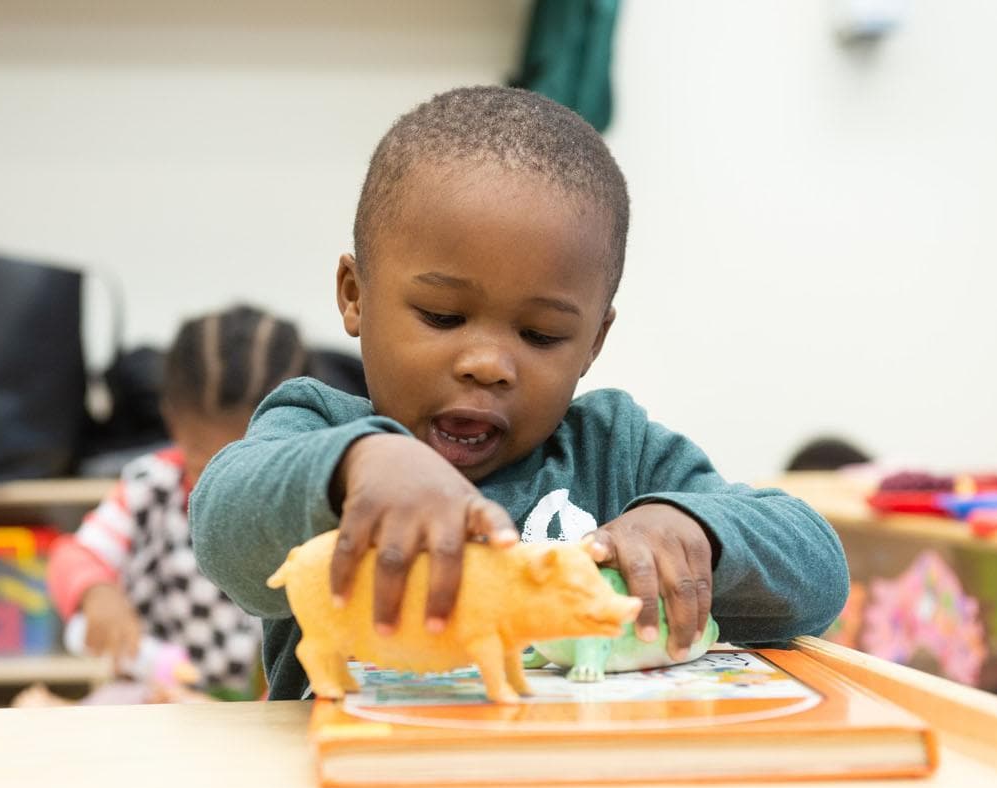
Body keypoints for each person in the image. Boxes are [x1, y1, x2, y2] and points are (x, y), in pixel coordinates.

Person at [190, 86, 849, 700]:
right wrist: (355, 470)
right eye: (443, 317)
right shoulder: (319, 428)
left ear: (593, 342)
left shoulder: (619, 454)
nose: (487, 365)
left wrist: (694, 532)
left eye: (539, 334)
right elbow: (222, 531)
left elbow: (819, 577)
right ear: (355, 296)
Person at [45, 305, 317, 699]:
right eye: (207, 463)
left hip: (267, 710)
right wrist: (96, 593)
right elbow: (75, 555)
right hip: (155, 699)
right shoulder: (150, 488)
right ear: (173, 420)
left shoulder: (308, 503)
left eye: (255, 465)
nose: (229, 487)